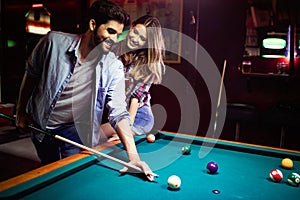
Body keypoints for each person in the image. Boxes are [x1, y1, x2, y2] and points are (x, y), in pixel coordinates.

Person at [15, 0, 155, 181]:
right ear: (93, 24)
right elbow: (31, 75)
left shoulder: (113, 66)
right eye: (110, 31)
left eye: (118, 35)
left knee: (70, 178)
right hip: (43, 125)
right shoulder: (53, 43)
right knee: (47, 171)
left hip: (75, 129)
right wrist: (20, 111)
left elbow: (119, 112)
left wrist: (133, 157)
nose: (115, 40)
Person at [100, 15, 165, 142]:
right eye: (135, 32)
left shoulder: (147, 64)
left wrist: (126, 130)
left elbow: (135, 99)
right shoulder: (116, 48)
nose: (135, 39)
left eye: (142, 38)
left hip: (138, 117)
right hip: (116, 113)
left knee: (98, 136)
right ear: (132, 27)